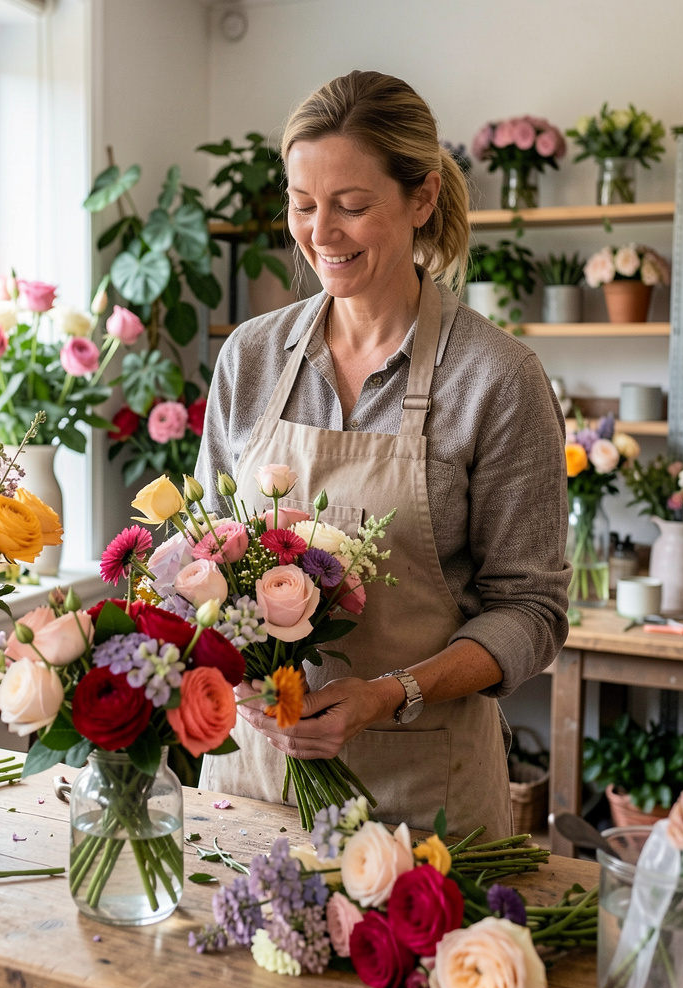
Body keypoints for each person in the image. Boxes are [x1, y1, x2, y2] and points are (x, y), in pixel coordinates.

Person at [194, 70, 570, 840]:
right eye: (302, 206)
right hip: (250, 787)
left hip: (421, 806)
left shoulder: (497, 378)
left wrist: (388, 692)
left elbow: (531, 612)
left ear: (422, 198)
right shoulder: (252, 358)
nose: (320, 234)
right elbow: (197, 558)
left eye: (353, 207)